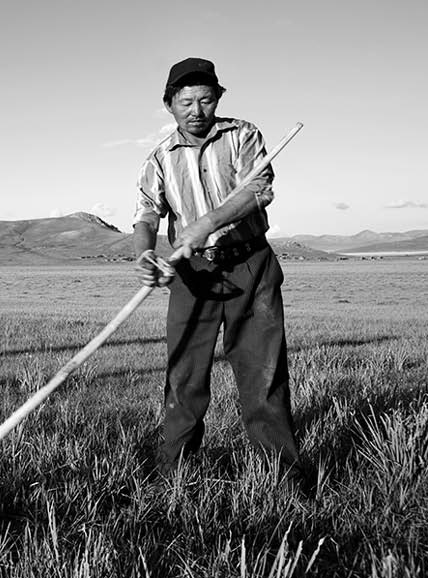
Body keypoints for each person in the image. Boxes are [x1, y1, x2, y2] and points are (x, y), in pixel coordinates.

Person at [132, 57, 301, 480]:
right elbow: (147, 213)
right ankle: (174, 473)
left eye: (205, 100)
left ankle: (283, 474)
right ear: (169, 104)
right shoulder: (158, 158)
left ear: (218, 99)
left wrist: (208, 222)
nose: (196, 110)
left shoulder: (243, 134)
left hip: (250, 265)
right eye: (185, 101)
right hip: (193, 273)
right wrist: (144, 253)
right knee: (184, 375)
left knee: (263, 372)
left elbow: (258, 191)